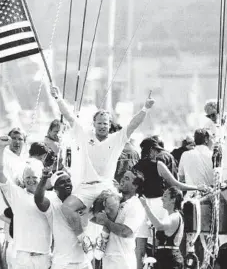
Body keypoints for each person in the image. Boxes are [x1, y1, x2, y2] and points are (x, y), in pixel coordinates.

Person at [50, 84, 155, 254]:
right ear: (94, 124)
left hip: (105, 185)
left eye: (105, 124)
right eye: (99, 123)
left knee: (113, 204)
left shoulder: (116, 138)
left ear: (109, 125)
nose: (102, 126)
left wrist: (145, 108)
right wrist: (57, 97)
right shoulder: (84, 134)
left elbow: (133, 124)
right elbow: (68, 116)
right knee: (66, 208)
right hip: (85, 186)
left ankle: (103, 239)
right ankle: (83, 239)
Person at [134, 136, 208, 269]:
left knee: (140, 247)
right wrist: (197, 187)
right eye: (156, 151)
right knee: (160, 242)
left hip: (141, 204)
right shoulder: (158, 165)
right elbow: (176, 184)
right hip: (158, 203)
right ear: (151, 150)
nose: (157, 154)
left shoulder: (136, 167)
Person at [0, 135, 52, 269]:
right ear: (23, 179)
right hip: (22, 259)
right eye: (27, 177)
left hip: (44, 257)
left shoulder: (50, 197)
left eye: (34, 177)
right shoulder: (17, 194)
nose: (31, 180)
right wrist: (1, 148)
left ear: (41, 177)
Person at [34, 170, 92, 269]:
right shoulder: (51, 203)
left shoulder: (80, 200)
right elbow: (38, 200)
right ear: (55, 188)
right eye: (62, 182)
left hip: (84, 262)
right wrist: (44, 178)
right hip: (63, 264)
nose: (67, 184)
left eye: (68, 181)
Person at [92, 170, 145, 269]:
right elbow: (101, 219)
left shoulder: (136, 206)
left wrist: (106, 222)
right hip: (108, 261)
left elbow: (125, 231)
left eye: (127, 178)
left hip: (123, 262)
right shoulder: (116, 200)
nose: (122, 180)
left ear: (135, 186)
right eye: (123, 177)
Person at [140, 186, 185, 269]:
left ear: (173, 200)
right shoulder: (169, 216)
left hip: (170, 260)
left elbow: (160, 226)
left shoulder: (175, 216)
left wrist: (146, 206)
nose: (162, 199)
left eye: (165, 196)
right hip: (162, 259)